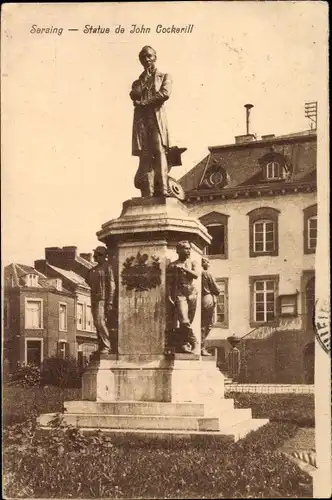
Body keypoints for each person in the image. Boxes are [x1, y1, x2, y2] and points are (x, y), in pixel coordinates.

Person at [130, 45, 172, 198]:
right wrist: (143, 81)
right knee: (145, 155)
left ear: (155, 57)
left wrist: (145, 102)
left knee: (159, 152)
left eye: (149, 56)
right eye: (143, 58)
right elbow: (135, 95)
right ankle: (148, 192)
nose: (147, 60)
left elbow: (164, 94)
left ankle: (163, 189)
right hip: (142, 123)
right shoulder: (138, 82)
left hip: (156, 120)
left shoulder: (165, 77)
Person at [167, 241, 199, 353]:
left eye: (189, 248)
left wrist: (184, 269)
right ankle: (194, 341)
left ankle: (184, 343)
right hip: (180, 294)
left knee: (188, 321)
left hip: (192, 293)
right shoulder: (172, 265)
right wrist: (169, 296)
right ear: (178, 250)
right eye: (185, 248)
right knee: (184, 320)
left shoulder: (193, 262)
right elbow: (169, 283)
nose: (188, 251)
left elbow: (196, 275)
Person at [86, 246, 116, 353]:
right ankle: (102, 345)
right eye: (95, 255)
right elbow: (89, 281)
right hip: (94, 299)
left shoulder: (108, 268)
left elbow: (112, 286)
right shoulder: (93, 270)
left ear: (103, 256)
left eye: (97, 255)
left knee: (99, 322)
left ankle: (107, 345)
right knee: (96, 322)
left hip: (103, 299)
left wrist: (110, 302)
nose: (94, 257)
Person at [201, 257, 220, 356]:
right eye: (207, 262)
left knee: (204, 325)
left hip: (202, 298)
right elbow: (216, 289)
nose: (209, 263)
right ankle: (201, 347)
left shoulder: (200, 273)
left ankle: (200, 346)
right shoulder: (207, 273)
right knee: (207, 324)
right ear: (203, 263)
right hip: (208, 298)